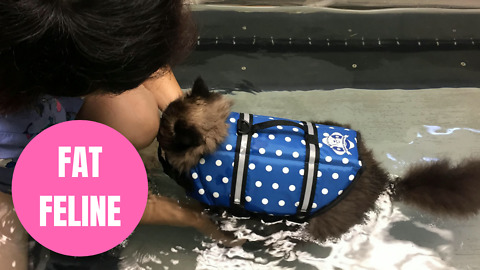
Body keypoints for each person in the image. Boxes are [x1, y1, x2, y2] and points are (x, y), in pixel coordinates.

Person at [0, 1, 237, 269]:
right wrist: (190, 216)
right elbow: (77, 201)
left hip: (38, 84)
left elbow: (132, 41)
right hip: (9, 154)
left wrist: (186, 114)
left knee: (135, 119)